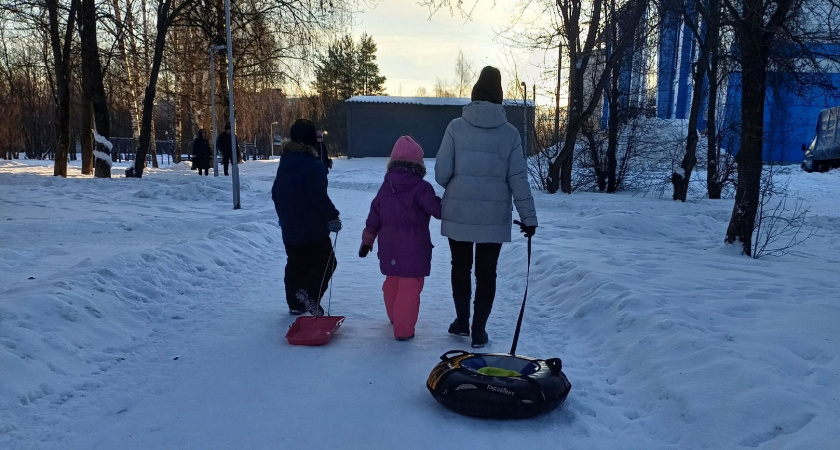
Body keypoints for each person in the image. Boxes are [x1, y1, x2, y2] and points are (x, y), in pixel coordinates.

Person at [435, 66, 538, 348]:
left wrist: (459, 185)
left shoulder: (455, 127)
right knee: (486, 272)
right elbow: (518, 179)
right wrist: (529, 218)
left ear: (475, 93)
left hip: (459, 212)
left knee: (460, 266)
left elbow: (441, 172)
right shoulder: (511, 134)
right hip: (494, 216)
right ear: (499, 95)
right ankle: (479, 330)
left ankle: (461, 322)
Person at [360, 136, 442, 341]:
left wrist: (367, 241)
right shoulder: (421, 187)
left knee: (392, 282)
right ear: (416, 163)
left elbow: (373, 217)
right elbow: (438, 210)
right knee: (410, 287)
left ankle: (395, 317)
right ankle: (404, 330)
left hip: (388, 247)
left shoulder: (385, 187)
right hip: (414, 248)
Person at [271, 119, 342, 316]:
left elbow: (275, 192)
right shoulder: (314, 166)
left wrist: (283, 216)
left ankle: (295, 303)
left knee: (295, 262)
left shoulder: (285, 163)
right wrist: (332, 217)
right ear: (311, 141)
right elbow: (318, 196)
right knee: (326, 261)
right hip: (312, 228)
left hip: (290, 228)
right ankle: (309, 294)